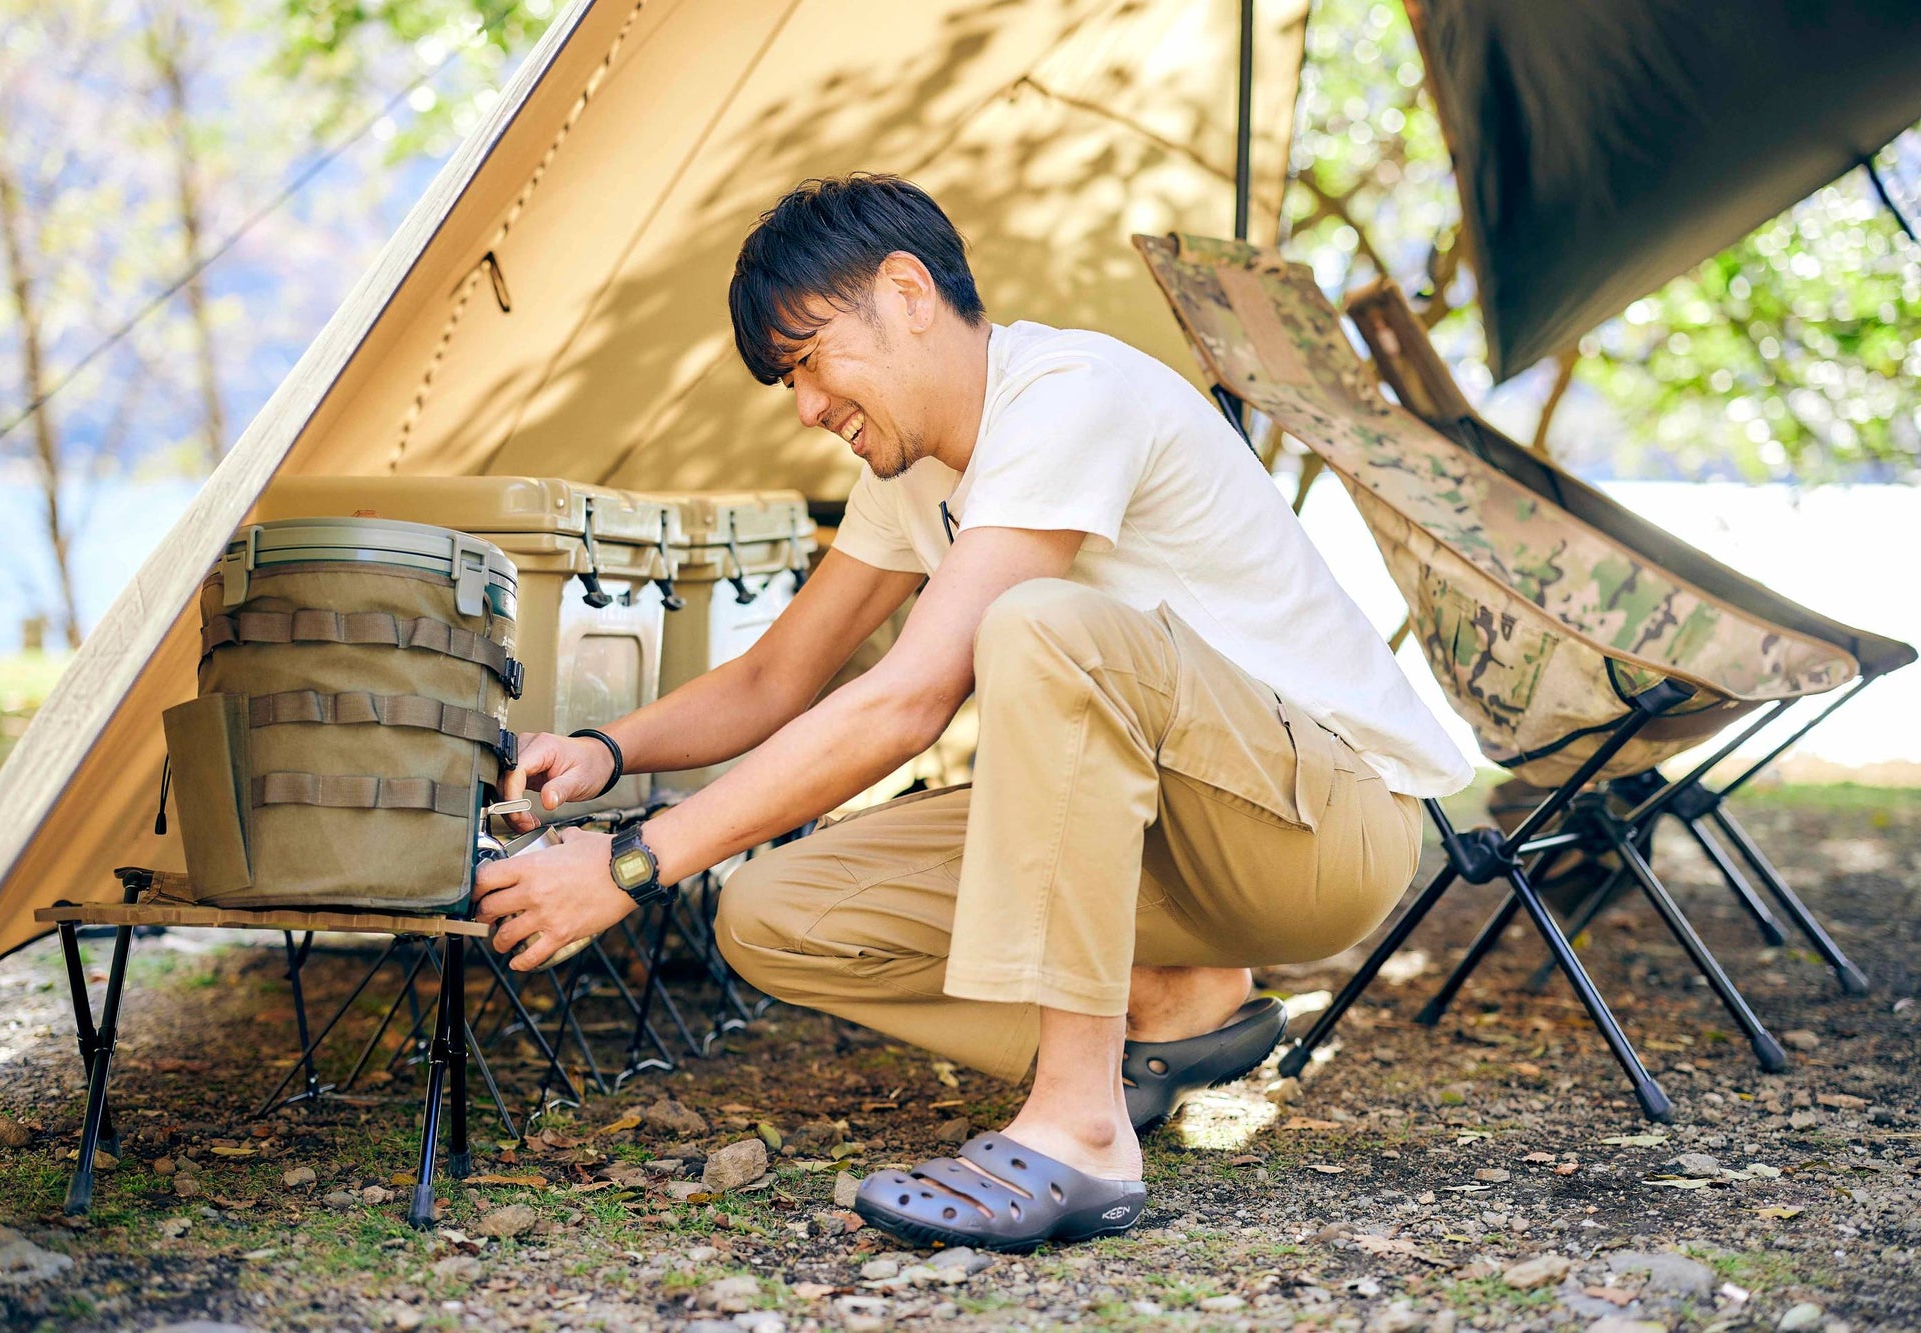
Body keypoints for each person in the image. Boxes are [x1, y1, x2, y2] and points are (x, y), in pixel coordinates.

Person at [472, 173, 1472, 1251]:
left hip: (1323, 830)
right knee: (771, 911)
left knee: (1043, 626)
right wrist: (600, 751)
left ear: (905, 291)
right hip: (1159, 848)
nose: (804, 406)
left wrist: (627, 865)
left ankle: (1081, 1127)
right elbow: (775, 679)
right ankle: (1164, 1015)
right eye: (786, 383)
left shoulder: (1067, 392)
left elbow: (906, 701)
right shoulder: (910, 476)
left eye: (807, 359)